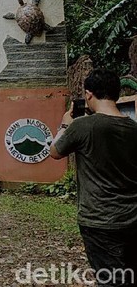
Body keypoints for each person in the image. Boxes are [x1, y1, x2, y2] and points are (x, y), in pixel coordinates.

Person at [50, 68, 137, 286]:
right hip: (133, 218)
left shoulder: (82, 126)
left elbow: (55, 152)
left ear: (88, 94)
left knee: (110, 280)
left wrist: (63, 125)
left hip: (99, 220)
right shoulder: (133, 128)